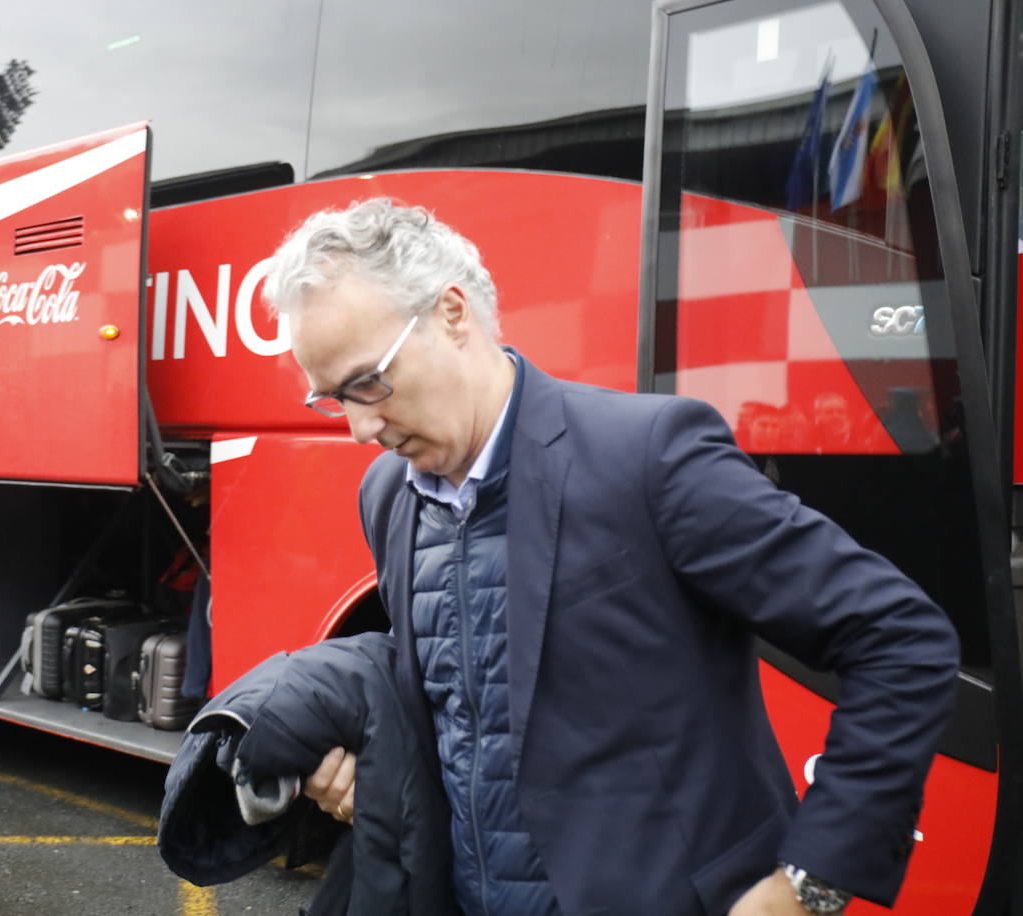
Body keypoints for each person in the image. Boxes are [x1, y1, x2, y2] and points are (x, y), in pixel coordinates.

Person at [261, 199, 959, 915]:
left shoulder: (648, 456)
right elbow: (466, 712)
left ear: (451, 313)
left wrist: (810, 883)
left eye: (368, 382)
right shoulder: (388, 494)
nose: (358, 426)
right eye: (330, 400)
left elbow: (900, 638)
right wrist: (367, 768)